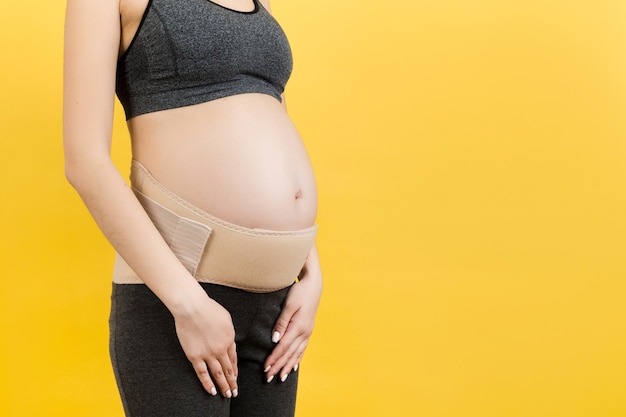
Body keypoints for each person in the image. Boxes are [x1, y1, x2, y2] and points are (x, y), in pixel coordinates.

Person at [63, 0, 322, 415]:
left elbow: (271, 113)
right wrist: (188, 303)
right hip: (180, 292)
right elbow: (84, 162)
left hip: (277, 307)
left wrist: (310, 272)